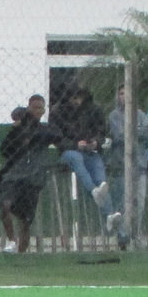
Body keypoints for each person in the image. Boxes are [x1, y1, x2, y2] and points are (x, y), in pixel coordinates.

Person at [0, 97, 58, 254]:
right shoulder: (18, 129)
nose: (36, 111)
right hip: (13, 175)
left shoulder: (44, 130)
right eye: (34, 108)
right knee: (5, 206)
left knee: (25, 220)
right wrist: (19, 129)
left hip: (32, 179)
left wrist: (32, 135)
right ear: (28, 108)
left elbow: (54, 135)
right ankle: (11, 241)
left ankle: (21, 254)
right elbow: (5, 149)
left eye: (40, 108)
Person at [105, 86, 148, 244]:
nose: (124, 96)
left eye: (127, 93)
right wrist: (136, 131)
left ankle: (135, 233)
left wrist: (132, 130)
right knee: (122, 203)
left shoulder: (140, 114)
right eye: (121, 93)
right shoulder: (114, 116)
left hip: (139, 166)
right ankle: (123, 236)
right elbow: (119, 135)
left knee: (139, 203)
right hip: (121, 167)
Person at [53, 85, 111, 218]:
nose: (76, 101)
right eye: (73, 97)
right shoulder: (58, 112)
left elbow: (101, 131)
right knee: (76, 158)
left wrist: (95, 142)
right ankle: (92, 191)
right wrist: (75, 144)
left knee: (100, 176)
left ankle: (109, 214)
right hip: (68, 151)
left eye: (79, 97)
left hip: (89, 151)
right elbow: (57, 138)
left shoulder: (92, 110)